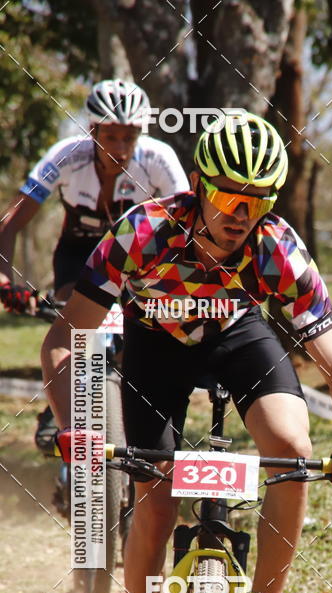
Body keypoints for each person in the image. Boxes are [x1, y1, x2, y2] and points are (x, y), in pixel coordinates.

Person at [41, 112, 332, 593]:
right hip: (156, 344)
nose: (240, 213)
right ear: (200, 184)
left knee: (290, 449)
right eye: (228, 195)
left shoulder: (279, 248)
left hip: (237, 337)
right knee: (156, 497)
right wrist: (73, 428)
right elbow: (64, 340)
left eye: (257, 201)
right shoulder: (142, 231)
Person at [0, 78, 190, 450]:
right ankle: (57, 411)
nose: (120, 149)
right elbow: (10, 223)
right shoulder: (67, 155)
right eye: (111, 137)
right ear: (93, 130)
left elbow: (187, 229)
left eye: (129, 138)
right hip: (79, 257)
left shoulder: (158, 158)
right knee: (74, 325)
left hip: (137, 260)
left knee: (135, 344)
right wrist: (6, 283)